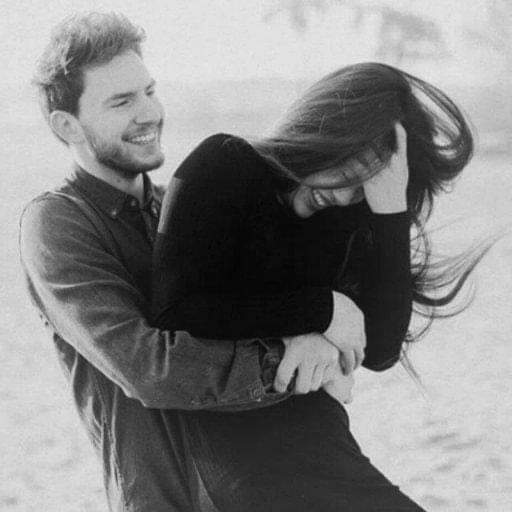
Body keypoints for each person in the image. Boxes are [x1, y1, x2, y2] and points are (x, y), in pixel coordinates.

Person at [151, 63, 493, 511]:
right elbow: (175, 310)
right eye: (351, 167)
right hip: (237, 456)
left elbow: (381, 350)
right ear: (328, 129)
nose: (347, 195)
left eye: (366, 187)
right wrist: (325, 310)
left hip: (323, 442)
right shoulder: (225, 163)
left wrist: (390, 211)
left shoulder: (347, 218)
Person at [19, 12, 303, 512]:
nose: (149, 112)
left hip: (261, 488)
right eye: (122, 101)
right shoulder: (57, 223)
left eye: (149, 91)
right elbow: (149, 367)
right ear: (67, 124)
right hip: (166, 500)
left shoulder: (185, 205)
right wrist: (289, 361)